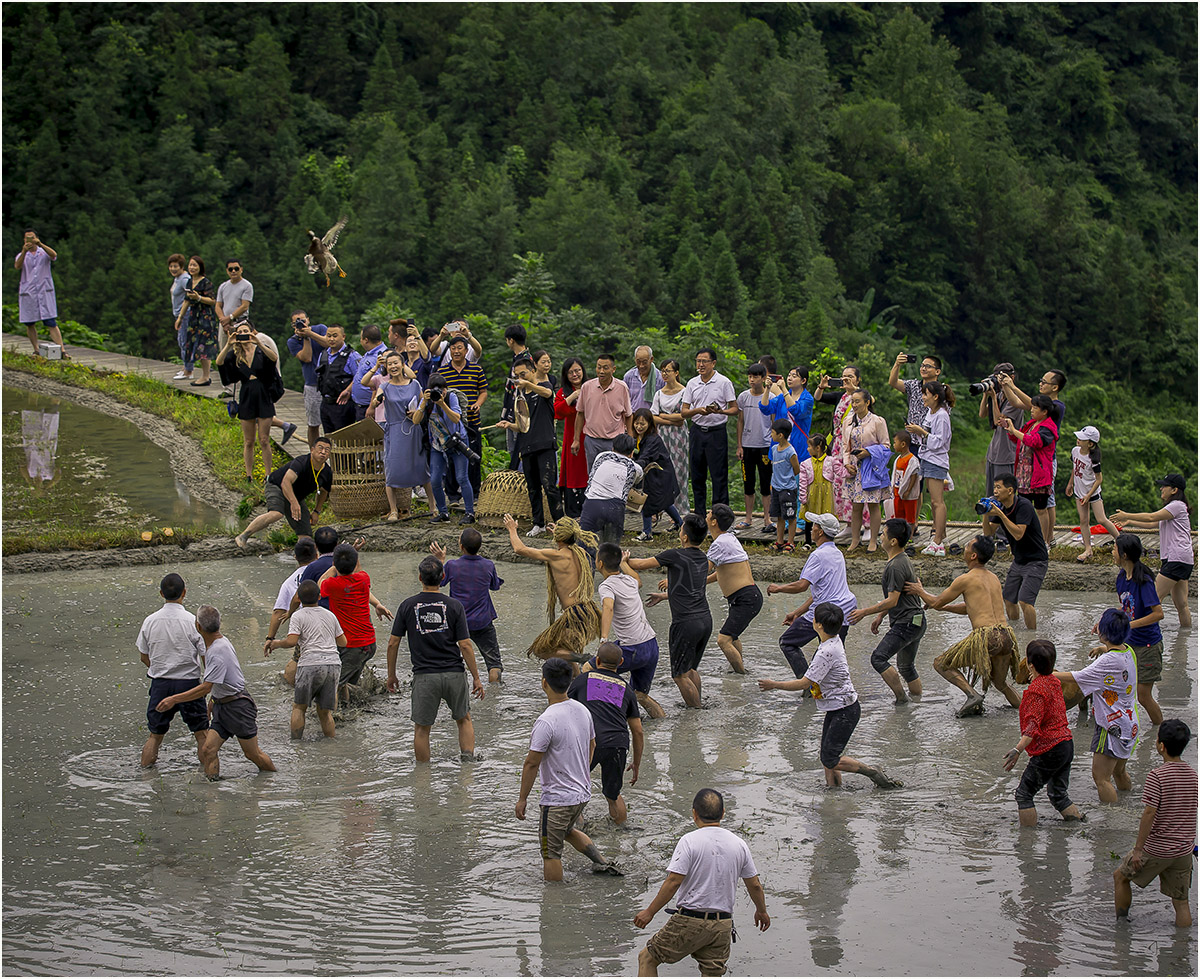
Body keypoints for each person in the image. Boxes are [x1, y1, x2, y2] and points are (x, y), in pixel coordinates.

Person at [759, 602, 902, 789]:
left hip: (844, 710)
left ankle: (872, 771)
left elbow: (804, 683)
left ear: (817, 625)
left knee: (830, 758)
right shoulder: (833, 641)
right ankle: (833, 793)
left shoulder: (826, 651)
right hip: (840, 707)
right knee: (827, 756)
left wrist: (774, 684)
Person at [634, 788, 769, 977]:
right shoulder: (739, 844)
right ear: (723, 813)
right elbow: (754, 884)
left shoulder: (689, 841)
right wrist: (761, 911)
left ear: (694, 814)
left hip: (689, 920)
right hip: (722, 924)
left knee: (647, 958)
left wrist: (649, 912)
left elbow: (673, 882)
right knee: (711, 974)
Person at [516, 658, 622, 881]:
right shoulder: (582, 709)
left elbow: (531, 763)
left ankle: (555, 903)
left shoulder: (546, 721)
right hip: (581, 794)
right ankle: (602, 863)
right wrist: (582, 773)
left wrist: (522, 799)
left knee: (550, 853)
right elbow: (592, 744)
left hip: (557, 800)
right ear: (570, 681)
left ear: (544, 683)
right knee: (566, 831)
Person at [154, 605, 276, 779]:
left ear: (198, 627)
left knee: (252, 754)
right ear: (220, 624)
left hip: (238, 707)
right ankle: (212, 794)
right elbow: (221, 681)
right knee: (208, 750)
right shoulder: (216, 645)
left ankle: (273, 781)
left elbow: (206, 686)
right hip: (223, 705)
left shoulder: (217, 651)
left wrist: (173, 699)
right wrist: (213, 701)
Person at [906, 534, 1022, 717]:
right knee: (1001, 684)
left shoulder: (965, 579)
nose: (964, 549)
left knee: (941, 663)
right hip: (1006, 636)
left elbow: (935, 602)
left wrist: (920, 591)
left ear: (973, 555)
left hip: (986, 637)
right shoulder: (993, 578)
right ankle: (1025, 710)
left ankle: (972, 695)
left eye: (968, 546)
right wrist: (945, 608)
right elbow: (971, 608)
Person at [386, 555, 486, 763]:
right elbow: (465, 645)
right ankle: (467, 769)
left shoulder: (407, 606)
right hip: (454, 674)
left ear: (420, 577)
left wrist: (391, 675)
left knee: (422, 729)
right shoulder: (454, 606)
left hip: (424, 676)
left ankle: (423, 780)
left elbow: (393, 643)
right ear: (443, 577)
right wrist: (476, 677)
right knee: (464, 719)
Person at [1113, 719, 1196, 928]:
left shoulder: (1157, 776)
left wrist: (1138, 850)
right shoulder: (1194, 776)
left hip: (1158, 849)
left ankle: (1121, 927)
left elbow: (1149, 814)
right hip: (1183, 851)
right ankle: (1181, 949)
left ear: (1161, 746)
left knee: (1120, 877)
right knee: (1181, 901)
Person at [1054, 609, 1139, 803]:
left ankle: (1110, 821)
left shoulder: (1107, 663)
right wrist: (1103, 647)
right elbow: (1114, 655)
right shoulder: (1128, 651)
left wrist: (1046, 673)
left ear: (1104, 632)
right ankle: (1127, 803)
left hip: (1111, 728)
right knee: (1119, 772)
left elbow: (1077, 677)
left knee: (1101, 779)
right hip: (1130, 725)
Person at [628, 514, 713, 709]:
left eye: (681, 527)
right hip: (705, 620)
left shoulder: (674, 554)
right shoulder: (703, 557)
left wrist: (623, 559)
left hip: (685, 623)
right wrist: (665, 596)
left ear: (684, 537)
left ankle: (695, 713)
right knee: (691, 669)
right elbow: (692, 588)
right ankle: (698, 704)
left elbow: (639, 565)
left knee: (679, 676)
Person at [1002, 639, 1086, 826]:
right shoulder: (1055, 681)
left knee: (1024, 794)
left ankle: (1026, 845)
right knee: (1058, 794)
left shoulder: (1035, 691)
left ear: (1031, 665)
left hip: (1050, 749)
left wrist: (1017, 750)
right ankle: (1078, 826)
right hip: (1066, 744)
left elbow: (1032, 726)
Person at [766, 512, 857, 678]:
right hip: (844, 611)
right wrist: (797, 613)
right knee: (828, 655)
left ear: (820, 532)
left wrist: (779, 588)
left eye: (814, 525)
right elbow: (821, 592)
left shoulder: (818, 555)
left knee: (787, 643)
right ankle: (820, 689)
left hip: (827, 612)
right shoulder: (837, 553)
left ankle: (805, 684)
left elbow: (801, 586)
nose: (811, 529)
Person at [849, 519, 926, 704]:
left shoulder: (895, 566)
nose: (880, 537)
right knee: (906, 667)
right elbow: (898, 597)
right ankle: (918, 702)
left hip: (907, 623)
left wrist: (864, 612)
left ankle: (902, 700)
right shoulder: (903, 559)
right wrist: (880, 615)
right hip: (917, 621)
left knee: (878, 658)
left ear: (893, 541)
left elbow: (892, 600)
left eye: (883, 534)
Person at [506, 514, 602, 663]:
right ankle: (576, 679)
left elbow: (519, 549)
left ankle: (584, 659)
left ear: (560, 538)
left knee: (541, 651)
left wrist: (512, 529)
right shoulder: (580, 552)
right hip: (586, 610)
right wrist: (561, 535)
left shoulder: (556, 556)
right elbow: (567, 544)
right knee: (567, 653)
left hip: (574, 614)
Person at [136, 573, 209, 768]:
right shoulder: (193, 621)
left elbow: (143, 656)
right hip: (189, 684)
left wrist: (159, 669)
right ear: (184, 593)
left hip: (160, 684)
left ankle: (146, 778)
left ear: (161, 593)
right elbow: (205, 656)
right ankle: (211, 778)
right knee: (202, 734)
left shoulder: (150, 621)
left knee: (155, 736)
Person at [567, 642, 644, 824]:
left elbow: (564, 709)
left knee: (573, 789)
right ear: (621, 662)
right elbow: (638, 731)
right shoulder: (627, 689)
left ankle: (577, 832)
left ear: (597, 660)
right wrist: (636, 763)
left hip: (590, 741)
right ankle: (618, 838)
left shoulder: (582, 680)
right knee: (613, 794)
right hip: (618, 743)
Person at [591, 541, 665, 718]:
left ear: (600, 564)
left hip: (633, 648)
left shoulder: (606, 586)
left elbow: (608, 606)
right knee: (641, 696)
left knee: (589, 671)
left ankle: (612, 708)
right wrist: (624, 563)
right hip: (651, 646)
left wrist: (603, 639)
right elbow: (638, 581)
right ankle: (663, 721)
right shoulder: (629, 580)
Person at [265, 580, 345, 739]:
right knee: (325, 712)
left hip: (310, 663)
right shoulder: (330, 615)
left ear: (299, 599)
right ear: (320, 596)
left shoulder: (298, 615)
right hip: (333, 664)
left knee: (299, 708)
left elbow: (292, 641)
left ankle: (296, 747)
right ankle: (331, 745)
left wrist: (275, 644)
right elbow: (343, 642)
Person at [1113, 474, 1194, 628]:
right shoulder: (1176, 509)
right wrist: (1130, 522)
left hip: (1175, 559)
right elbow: (1153, 524)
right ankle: (1184, 642)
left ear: (1174, 490)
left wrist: (1126, 514)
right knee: (1182, 605)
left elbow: (1151, 517)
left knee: (1151, 599)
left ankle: (1138, 632)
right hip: (1184, 560)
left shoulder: (1176, 505)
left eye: (1165, 486)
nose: (1161, 489)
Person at [320, 543, 393, 708]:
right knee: (347, 683)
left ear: (334, 563)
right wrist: (377, 604)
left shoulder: (332, 585)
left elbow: (320, 583)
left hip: (351, 647)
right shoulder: (363, 578)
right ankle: (352, 708)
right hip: (368, 644)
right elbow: (363, 585)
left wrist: (333, 567)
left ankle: (334, 717)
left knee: (333, 685)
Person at [1000, 368, 1067, 543]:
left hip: (1042, 464)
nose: (1041, 384)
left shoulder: (1056, 408)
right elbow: (1015, 401)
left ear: (1055, 387)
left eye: (1045, 382)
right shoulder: (1035, 418)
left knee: (1045, 503)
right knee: (1030, 503)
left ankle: (1047, 539)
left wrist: (1013, 386)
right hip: (1026, 468)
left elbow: (1034, 438)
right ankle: (1035, 538)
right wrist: (1005, 385)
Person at [430, 528, 505, 683]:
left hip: (457, 623)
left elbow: (438, 582)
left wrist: (440, 561)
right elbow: (495, 586)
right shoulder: (488, 565)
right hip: (483, 622)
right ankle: (495, 700)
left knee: (449, 661)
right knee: (494, 664)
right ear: (479, 547)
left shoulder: (452, 566)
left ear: (461, 546)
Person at [498, 356, 563, 535]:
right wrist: (508, 425)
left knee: (549, 486)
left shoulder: (545, 385)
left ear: (533, 371)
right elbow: (522, 425)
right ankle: (539, 523)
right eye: (517, 376)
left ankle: (560, 523)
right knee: (532, 487)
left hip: (545, 445)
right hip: (527, 447)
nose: (520, 378)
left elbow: (548, 394)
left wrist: (529, 385)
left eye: (524, 374)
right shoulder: (519, 397)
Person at [367, 351, 431, 521]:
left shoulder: (415, 384)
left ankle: (433, 507)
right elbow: (377, 397)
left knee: (421, 466)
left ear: (403, 365)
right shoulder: (385, 386)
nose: (393, 366)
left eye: (396, 363)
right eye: (390, 364)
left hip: (413, 429)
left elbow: (423, 404)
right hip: (394, 430)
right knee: (392, 469)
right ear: (386, 367)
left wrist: (417, 412)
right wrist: (376, 401)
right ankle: (393, 510)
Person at [234, 439, 333, 547]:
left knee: (306, 537)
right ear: (312, 450)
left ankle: (304, 559)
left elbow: (323, 492)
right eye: (320, 448)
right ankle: (243, 536)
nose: (323, 452)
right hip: (277, 486)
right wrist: (294, 503)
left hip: (296, 496)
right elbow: (286, 482)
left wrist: (316, 511)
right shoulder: (301, 462)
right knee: (276, 513)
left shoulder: (327, 472)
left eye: (327, 450)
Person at [981, 474, 1049, 629]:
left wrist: (1000, 514)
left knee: (1025, 601)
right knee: (1009, 599)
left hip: (1036, 560)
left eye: (999, 487)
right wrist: (985, 514)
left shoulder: (1023, 506)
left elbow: (1018, 534)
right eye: (995, 487)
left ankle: (1032, 637)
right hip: (1019, 560)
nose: (995, 491)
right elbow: (988, 533)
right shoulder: (1002, 508)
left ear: (1010, 490)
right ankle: (1016, 632)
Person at [216, 321, 281, 482]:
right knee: (249, 441)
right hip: (246, 395)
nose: (244, 334)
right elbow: (219, 362)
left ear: (252, 332)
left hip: (263, 394)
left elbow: (274, 358)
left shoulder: (260, 351)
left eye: (246, 331)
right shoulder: (234, 354)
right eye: (240, 332)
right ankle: (249, 474)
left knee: (264, 439)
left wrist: (258, 341)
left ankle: (268, 474)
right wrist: (228, 344)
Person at [705, 504, 763, 674]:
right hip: (747, 597)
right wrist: (701, 583)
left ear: (714, 522)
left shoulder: (720, 543)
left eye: (709, 513)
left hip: (746, 598)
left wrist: (675, 582)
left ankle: (741, 676)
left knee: (723, 640)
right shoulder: (728, 539)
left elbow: (701, 570)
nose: (706, 515)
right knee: (732, 636)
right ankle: (738, 668)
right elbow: (720, 574)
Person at [412, 373, 477, 526]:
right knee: (434, 480)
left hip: (456, 441)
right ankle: (443, 513)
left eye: (442, 390)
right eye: (435, 390)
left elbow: (456, 418)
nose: (439, 393)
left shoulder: (451, 397)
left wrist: (442, 404)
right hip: (437, 445)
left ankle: (470, 513)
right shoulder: (426, 400)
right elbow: (415, 421)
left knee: (462, 477)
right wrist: (423, 404)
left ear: (446, 390)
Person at [1114, 534, 1164, 727]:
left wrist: (1130, 625)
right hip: (1130, 643)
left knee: (1143, 696)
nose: (1112, 552)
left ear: (1124, 555)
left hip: (1148, 645)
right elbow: (1127, 607)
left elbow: (1158, 613)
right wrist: (1109, 619)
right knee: (1123, 688)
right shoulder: (1121, 577)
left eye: (1115, 549)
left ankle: (1160, 731)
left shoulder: (1144, 581)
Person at [681, 348, 736, 515]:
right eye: (698, 361)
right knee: (697, 475)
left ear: (713, 363)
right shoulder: (692, 383)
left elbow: (734, 409)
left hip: (717, 432)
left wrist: (720, 411)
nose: (701, 364)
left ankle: (720, 515)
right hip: (697, 431)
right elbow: (684, 412)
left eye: (704, 361)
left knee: (719, 475)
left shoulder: (724, 382)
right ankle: (699, 515)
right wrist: (698, 410)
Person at [435, 335, 487, 496]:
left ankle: (475, 493)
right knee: (451, 457)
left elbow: (483, 391)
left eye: (459, 348)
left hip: (472, 420)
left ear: (466, 350)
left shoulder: (476, 369)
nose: (456, 351)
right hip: (451, 422)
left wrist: (478, 404)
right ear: (449, 350)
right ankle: (452, 494)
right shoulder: (442, 371)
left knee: (474, 456)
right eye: (453, 348)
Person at [906, 381, 954, 556]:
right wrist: (917, 430)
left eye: (925, 394)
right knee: (933, 501)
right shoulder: (930, 412)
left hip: (936, 460)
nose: (923, 398)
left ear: (935, 397)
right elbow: (926, 434)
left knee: (937, 501)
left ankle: (938, 540)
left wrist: (922, 432)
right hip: (927, 458)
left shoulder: (942, 415)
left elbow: (940, 442)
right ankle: (939, 537)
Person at [841, 388, 890, 553]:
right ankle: (855, 540)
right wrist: (847, 463)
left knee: (873, 504)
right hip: (855, 467)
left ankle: (873, 541)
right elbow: (845, 447)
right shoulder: (847, 421)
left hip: (871, 466)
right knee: (855, 505)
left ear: (867, 402)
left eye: (857, 401)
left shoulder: (877, 421)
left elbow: (886, 446)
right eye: (852, 402)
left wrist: (869, 452)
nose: (854, 405)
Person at [815, 365, 861, 526]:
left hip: (853, 444)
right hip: (837, 445)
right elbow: (818, 397)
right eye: (843, 377)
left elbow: (871, 401)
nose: (846, 379)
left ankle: (859, 523)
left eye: (850, 376)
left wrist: (854, 389)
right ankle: (845, 521)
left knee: (854, 481)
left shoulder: (860, 397)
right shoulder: (839, 396)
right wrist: (822, 385)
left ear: (858, 379)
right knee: (839, 483)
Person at [262, 536, 319, 666]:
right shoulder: (325, 571)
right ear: (317, 555)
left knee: (296, 668)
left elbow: (278, 612)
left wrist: (270, 638)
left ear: (295, 557)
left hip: (306, 630)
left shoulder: (289, 582)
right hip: (329, 623)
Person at [1066, 426, 1120, 561]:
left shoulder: (1093, 459)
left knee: (1101, 519)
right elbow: (1075, 468)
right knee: (1083, 521)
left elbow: (1099, 479)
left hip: (1092, 492)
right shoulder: (1075, 451)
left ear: (1090, 444)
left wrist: (1089, 495)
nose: (1078, 440)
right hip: (1079, 491)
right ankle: (1088, 549)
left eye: (1082, 439)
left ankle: (1120, 540)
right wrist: (1070, 483)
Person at [576, 353, 634, 473]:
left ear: (613, 369)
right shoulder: (587, 387)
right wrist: (576, 439)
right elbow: (580, 413)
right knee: (593, 475)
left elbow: (628, 415)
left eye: (605, 368)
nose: (601, 371)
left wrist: (630, 440)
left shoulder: (622, 387)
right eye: (598, 367)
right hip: (592, 440)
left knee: (613, 475)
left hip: (615, 441)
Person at [580, 434, 643, 545]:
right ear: (632, 453)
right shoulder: (635, 468)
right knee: (610, 550)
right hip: (615, 507)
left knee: (586, 546)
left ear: (612, 448)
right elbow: (637, 480)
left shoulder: (601, 456)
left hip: (592, 504)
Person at [632, 409, 682, 542]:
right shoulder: (636, 437)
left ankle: (647, 533)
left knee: (649, 501)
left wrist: (633, 467)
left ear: (649, 424)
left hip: (661, 474)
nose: (639, 426)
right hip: (651, 473)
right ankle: (680, 524)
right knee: (664, 501)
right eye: (636, 423)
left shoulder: (653, 439)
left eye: (642, 424)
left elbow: (646, 456)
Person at [15, 229, 64, 357]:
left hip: (44, 290)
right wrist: (24, 251)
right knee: (30, 322)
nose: (29, 241)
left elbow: (54, 255)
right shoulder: (22, 255)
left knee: (50, 321)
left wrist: (41, 244)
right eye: (27, 239)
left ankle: (62, 350)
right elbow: (17, 266)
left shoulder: (43, 252)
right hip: (29, 292)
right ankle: (36, 349)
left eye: (32, 238)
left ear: (36, 238)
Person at [736, 364, 773, 531]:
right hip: (747, 445)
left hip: (765, 445)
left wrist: (774, 445)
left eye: (756, 376)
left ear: (763, 378)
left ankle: (767, 518)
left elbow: (773, 421)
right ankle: (748, 518)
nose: (752, 380)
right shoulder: (743, 397)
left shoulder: (770, 397)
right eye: (750, 376)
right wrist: (739, 445)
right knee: (748, 483)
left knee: (766, 483)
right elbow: (740, 421)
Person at [286, 310, 330, 447]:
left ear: (308, 320)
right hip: (312, 384)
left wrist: (310, 333)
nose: (301, 324)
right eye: (296, 322)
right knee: (313, 423)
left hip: (329, 382)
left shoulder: (321, 329)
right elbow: (307, 357)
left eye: (302, 321)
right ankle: (314, 453)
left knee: (333, 422)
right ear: (292, 325)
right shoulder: (293, 341)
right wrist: (306, 338)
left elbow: (330, 343)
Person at [651, 358, 690, 515]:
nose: (664, 374)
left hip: (679, 436)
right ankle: (664, 509)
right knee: (662, 470)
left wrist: (663, 416)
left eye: (668, 370)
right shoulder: (659, 393)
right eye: (662, 371)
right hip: (663, 435)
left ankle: (681, 510)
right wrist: (670, 418)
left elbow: (682, 418)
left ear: (676, 372)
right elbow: (653, 416)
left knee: (679, 471)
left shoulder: (685, 391)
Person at [979, 362, 1023, 495]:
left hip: (1006, 453)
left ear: (1011, 378)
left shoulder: (1014, 400)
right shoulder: (999, 396)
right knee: (991, 493)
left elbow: (999, 421)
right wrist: (986, 395)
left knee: (1003, 494)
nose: (999, 381)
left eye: (1002, 378)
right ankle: (992, 516)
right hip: (994, 452)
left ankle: (1004, 516)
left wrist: (993, 398)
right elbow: (982, 414)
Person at [888, 351, 942, 457]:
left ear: (937, 371)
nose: (923, 368)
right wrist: (897, 364)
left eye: (928, 366)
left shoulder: (941, 390)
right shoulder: (914, 385)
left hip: (930, 444)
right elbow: (893, 382)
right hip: (911, 442)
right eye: (922, 366)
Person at [555, 357, 590, 519]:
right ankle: (573, 511)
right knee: (573, 472)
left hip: (591, 434)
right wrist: (574, 395)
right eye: (571, 372)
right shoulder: (563, 392)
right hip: (573, 437)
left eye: (578, 370)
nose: (575, 374)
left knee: (589, 469)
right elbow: (557, 412)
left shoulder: (592, 387)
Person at [758, 364, 814, 464]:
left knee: (798, 477)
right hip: (779, 444)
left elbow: (796, 410)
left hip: (798, 445)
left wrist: (783, 389)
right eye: (789, 375)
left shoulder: (807, 399)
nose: (790, 378)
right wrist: (767, 389)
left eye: (794, 376)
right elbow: (765, 408)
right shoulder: (781, 399)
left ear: (803, 381)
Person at [314, 324, 360, 435]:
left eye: (335, 336)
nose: (331, 339)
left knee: (344, 440)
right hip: (325, 403)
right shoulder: (323, 354)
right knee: (328, 439)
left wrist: (348, 390)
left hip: (343, 405)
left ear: (343, 337)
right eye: (328, 336)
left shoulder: (352, 355)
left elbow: (359, 377)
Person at [179, 256, 217, 387]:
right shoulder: (190, 281)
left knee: (203, 346)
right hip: (193, 317)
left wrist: (199, 297)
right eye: (190, 265)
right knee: (194, 344)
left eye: (195, 265)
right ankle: (202, 375)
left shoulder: (206, 282)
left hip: (205, 317)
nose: (192, 268)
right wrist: (180, 317)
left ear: (200, 267)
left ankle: (205, 376)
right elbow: (186, 300)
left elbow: (212, 300)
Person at [767, 418, 801, 553]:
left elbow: (796, 469)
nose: (771, 435)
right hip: (776, 488)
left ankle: (791, 542)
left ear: (780, 435)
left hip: (788, 488)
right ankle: (780, 541)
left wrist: (787, 478)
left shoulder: (790, 452)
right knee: (779, 516)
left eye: (773, 432)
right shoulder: (775, 449)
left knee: (790, 516)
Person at [797, 434, 834, 548]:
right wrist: (803, 496)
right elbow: (802, 481)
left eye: (809, 446)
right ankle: (808, 542)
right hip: (812, 496)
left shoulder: (831, 461)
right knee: (809, 518)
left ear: (817, 448)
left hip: (825, 496)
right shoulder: (805, 463)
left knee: (825, 519)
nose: (807, 449)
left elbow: (840, 473)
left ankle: (826, 542)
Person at [500, 325, 530, 462]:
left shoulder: (524, 361)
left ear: (511, 340)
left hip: (520, 413)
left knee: (519, 454)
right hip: (513, 414)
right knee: (513, 453)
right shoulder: (518, 358)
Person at [349, 324, 386, 422]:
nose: (360, 341)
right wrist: (348, 390)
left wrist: (372, 407)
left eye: (361, 338)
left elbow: (379, 384)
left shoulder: (379, 356)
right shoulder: (369, 352)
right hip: (359, 405)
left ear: (366, 340)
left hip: (369, 407)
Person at [167, 253, 194, 380]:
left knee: (184, 342)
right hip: (179, 314)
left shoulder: (184, 279)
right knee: (181, 341)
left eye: (175, 266)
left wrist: (182, 315)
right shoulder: (177, 278)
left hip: (185, 315)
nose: (173, 269)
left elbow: (190, 295)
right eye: (171, 266)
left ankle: (188, 371)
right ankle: (185, 367)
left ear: (181, 267)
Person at [890, 431, 921, 540]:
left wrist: (908, 490)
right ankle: (900, 536)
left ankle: (910, 535)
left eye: (895, 442)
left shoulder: (912, 460)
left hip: (908, 494)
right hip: (897, 492)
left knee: (910, 517)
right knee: (899, 515)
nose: (893, 445)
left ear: (903, 444)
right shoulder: (898, 459)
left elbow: (913, 475)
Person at [624, 345, 664, 413]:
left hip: (652, 419)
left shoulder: (660, 378)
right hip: (633, 418)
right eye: (638, 362)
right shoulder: (629, 376)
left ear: (651, 359)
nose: (641, 366)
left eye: (645, 362)